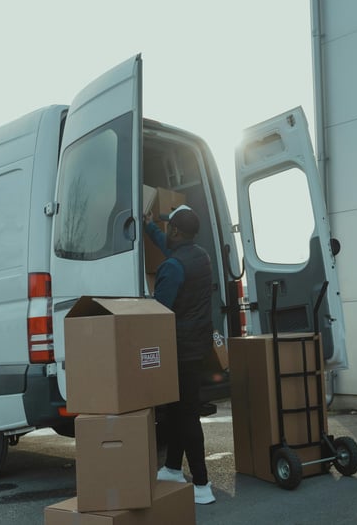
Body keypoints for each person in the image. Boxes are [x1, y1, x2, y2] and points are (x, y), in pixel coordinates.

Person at [144, 204, 216, 505]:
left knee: (186, 414)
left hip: (178, 349)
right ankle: (173, 468)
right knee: (176, 410)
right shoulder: (201, 257)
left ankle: (202, 484)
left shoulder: (173, 267)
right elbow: (171, 249)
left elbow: (159, 312)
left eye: (168, 228)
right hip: (197, 347)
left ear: (175, 230)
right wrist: (150, 226)